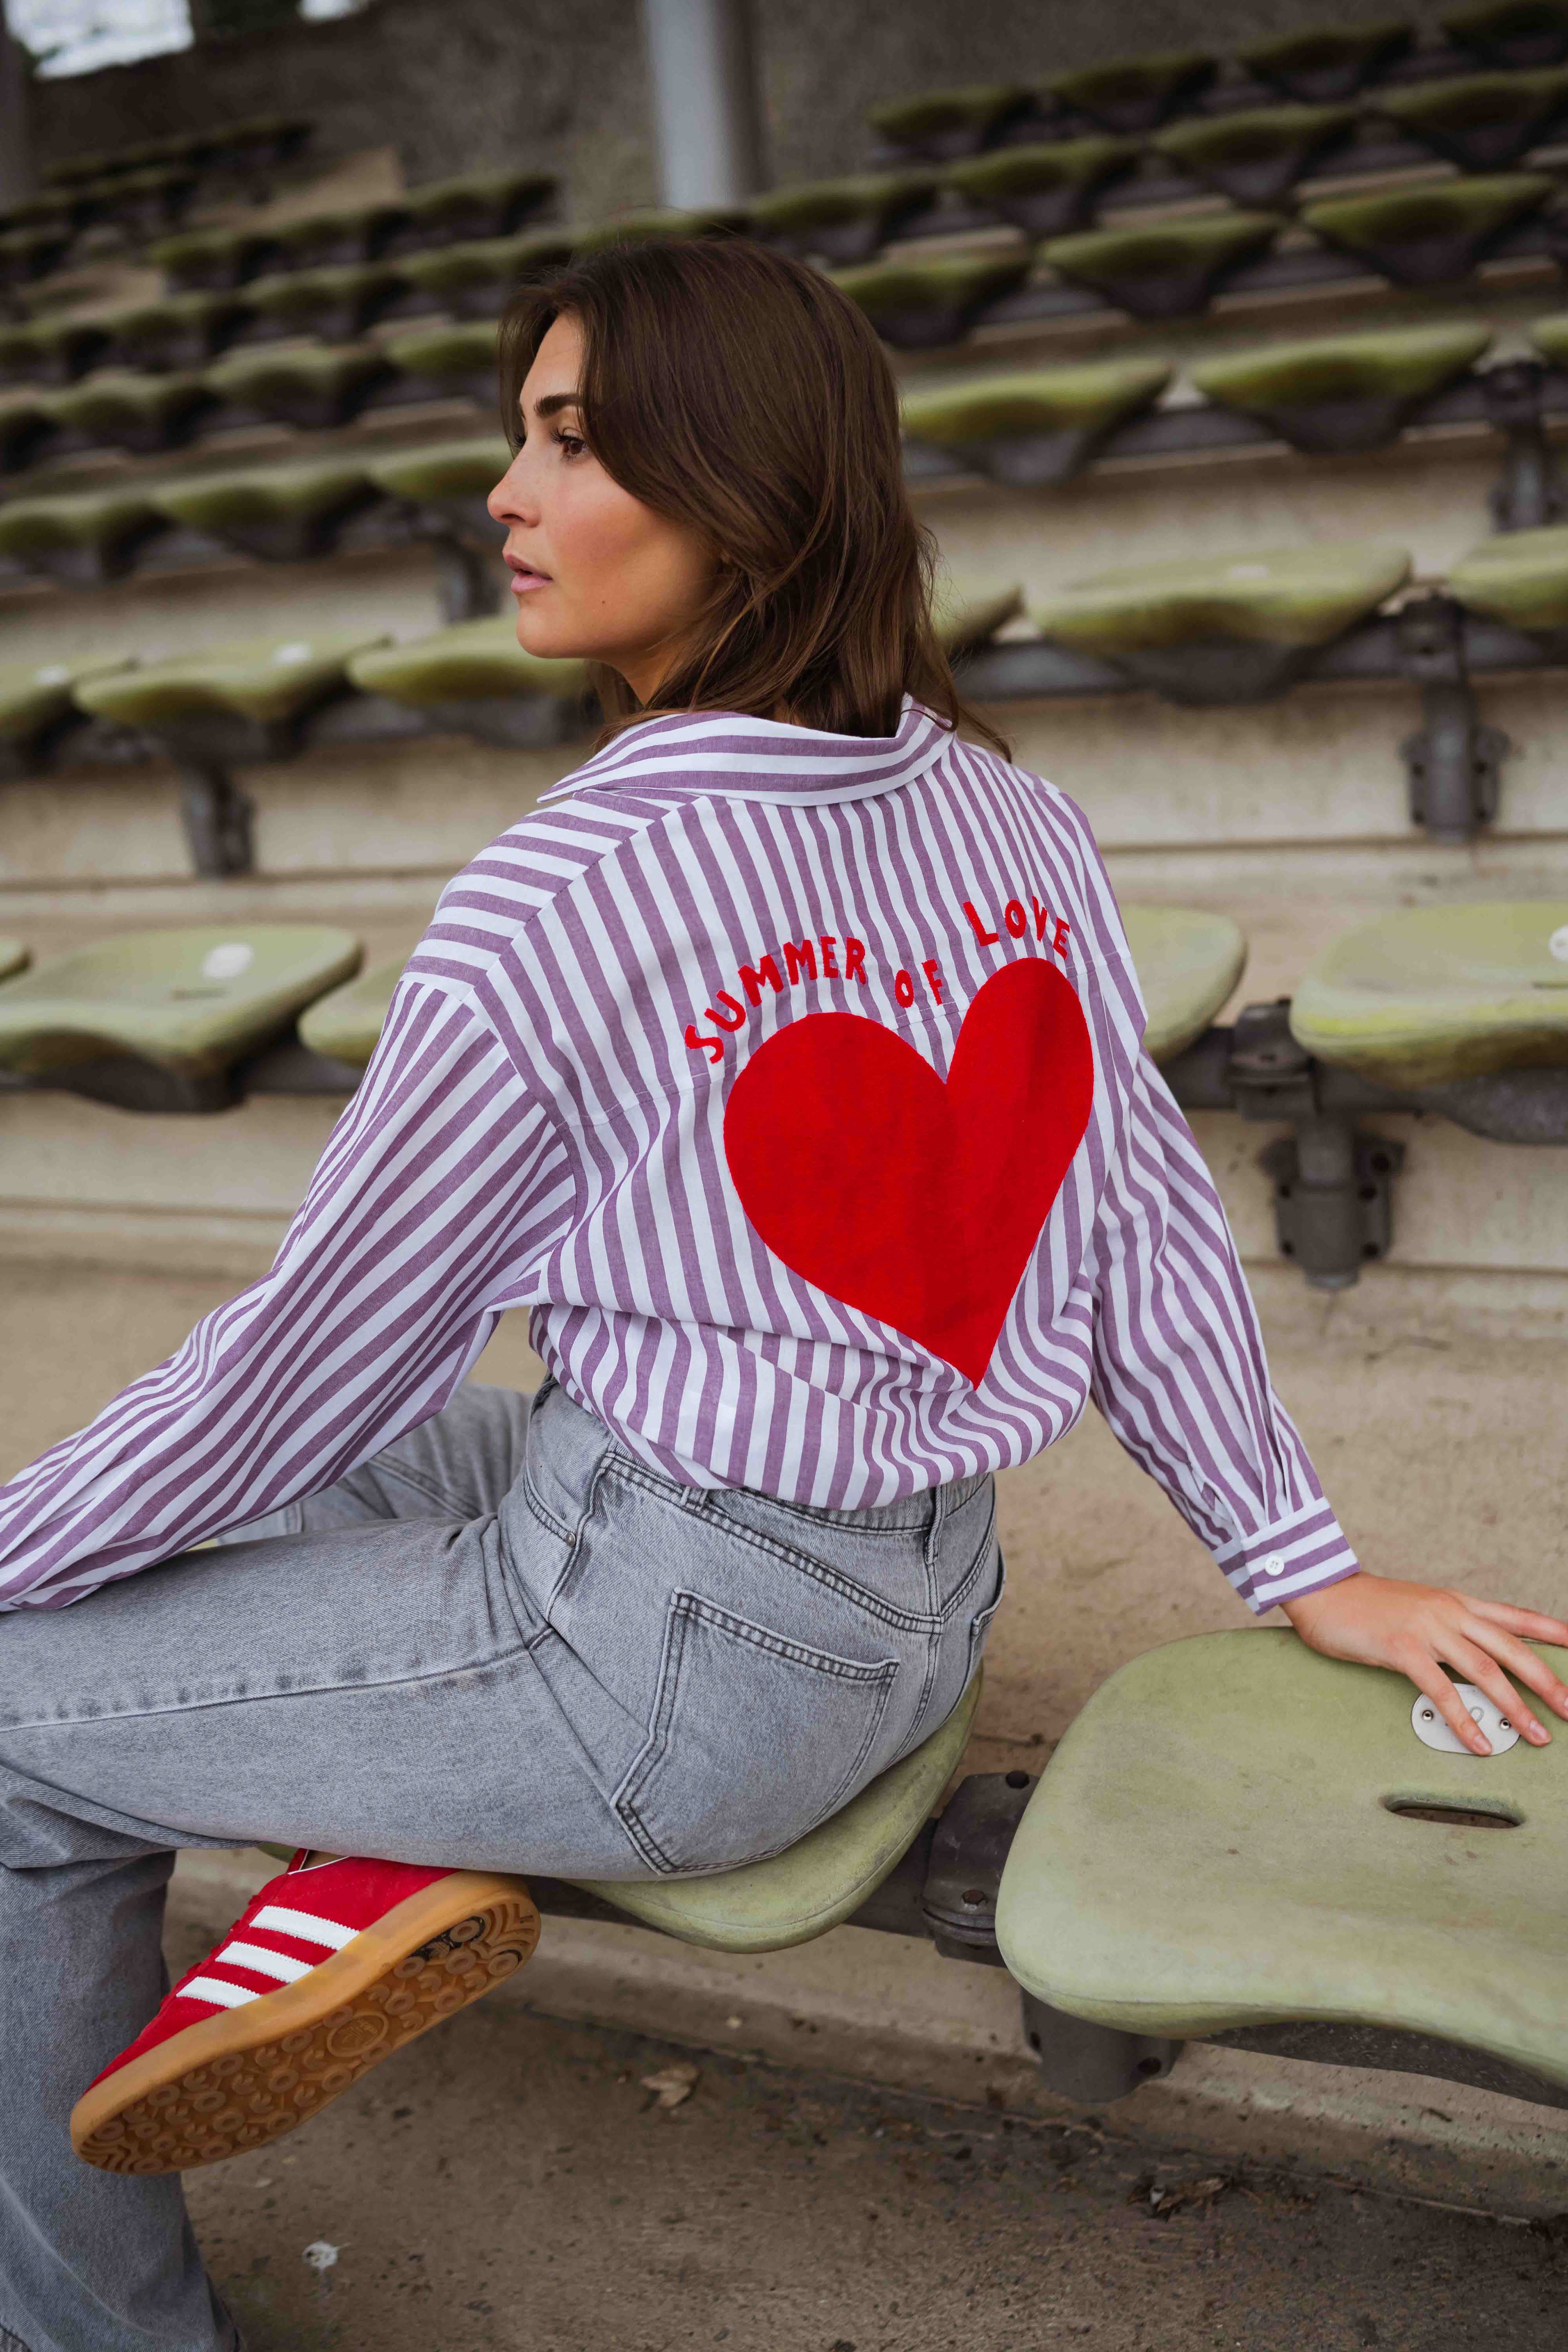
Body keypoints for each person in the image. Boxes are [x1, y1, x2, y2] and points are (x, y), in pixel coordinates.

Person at [2, 235, 1565, 2352]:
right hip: (908, 1604)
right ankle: (368, 1842)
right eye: (516, 441)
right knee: (335, 1479)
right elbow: (1146, 1234)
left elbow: (302, 1358)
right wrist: (1305, 1565)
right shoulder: (1014, 818)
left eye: (571, 444)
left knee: (23, 1716)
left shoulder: (562, 894)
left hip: (665, 1669)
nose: (506, 496)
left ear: (740, 489)